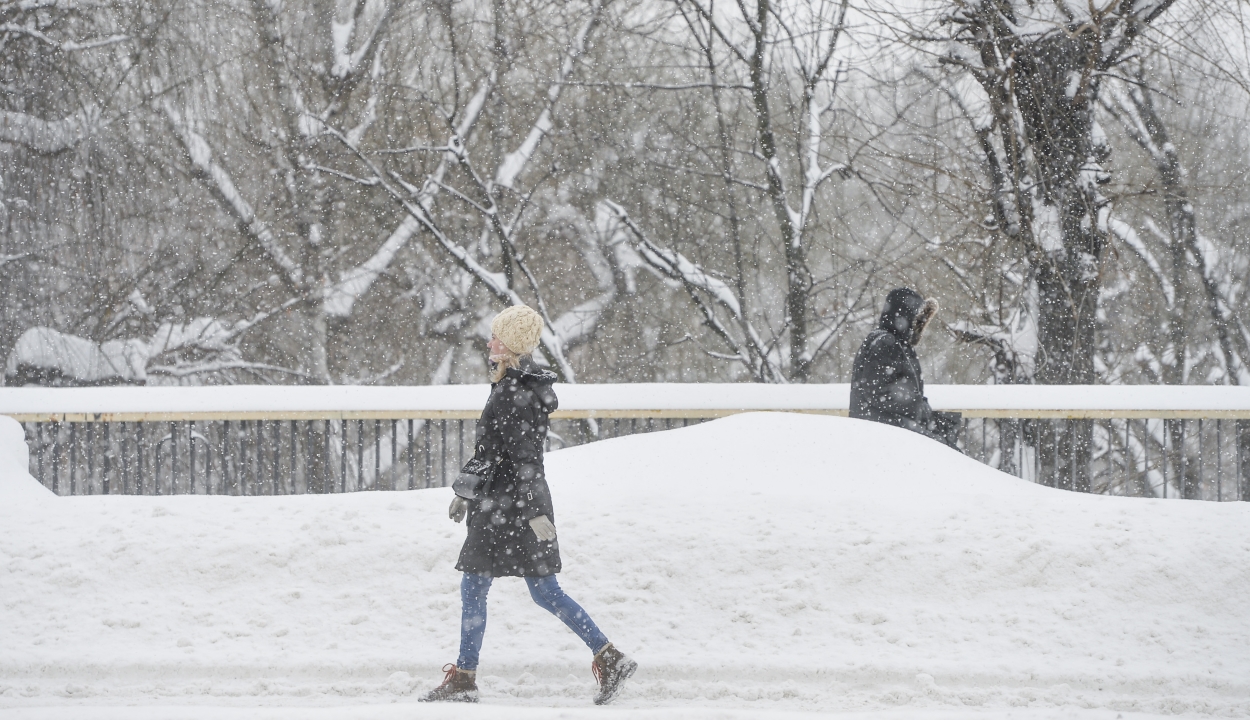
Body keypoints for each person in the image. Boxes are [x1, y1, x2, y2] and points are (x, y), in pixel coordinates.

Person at [421, 304, 637, 705]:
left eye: (496, 337)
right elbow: (493, 452)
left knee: (506, 589)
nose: (489, 342)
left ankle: (467, 679)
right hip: (503, 504)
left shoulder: (514, 394)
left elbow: (522, 460)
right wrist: (464, 491)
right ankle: (608, 658)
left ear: (514, 346)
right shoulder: (516, 388)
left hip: (512, 507)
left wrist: (533, 513)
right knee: (515, 589)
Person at [849, 288, 961, 449]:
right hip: (884, 431)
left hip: (887, 428)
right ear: (904, 316)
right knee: (947, 454)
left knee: (947, 444)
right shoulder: (886, 342)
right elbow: (877, 392)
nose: (920, 325)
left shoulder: (895, 343)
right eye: (917, 319)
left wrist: (922, 409)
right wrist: (917, 407)